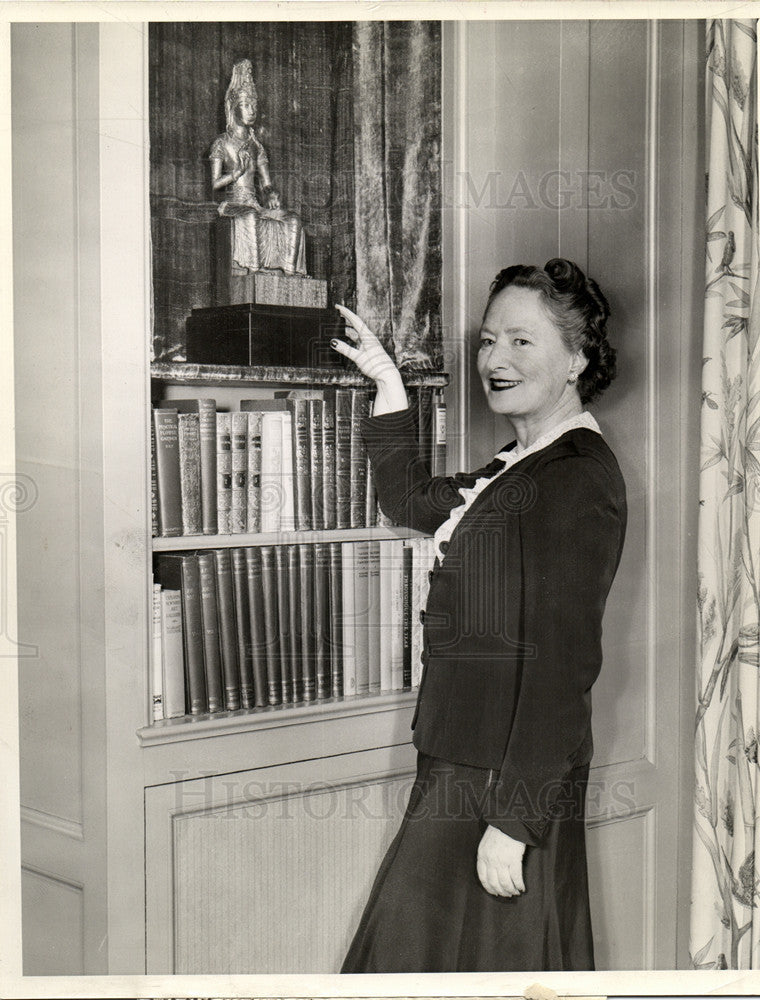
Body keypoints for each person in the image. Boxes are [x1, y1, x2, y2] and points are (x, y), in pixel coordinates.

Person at [330, 258, 627, 973]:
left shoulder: (574, 478)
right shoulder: (517, 465)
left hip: (502, 783)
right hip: (460, 764)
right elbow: (408, 502)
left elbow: (561, 666)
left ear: (576, 359)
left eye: (521, 342)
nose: (493, 359)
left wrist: (513, 821)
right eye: (488, 340)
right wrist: (388, 384)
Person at [210, 59, 306, 277]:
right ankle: (254, 269)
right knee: (251, 216)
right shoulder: (222, 143)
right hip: (233, 204)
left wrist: (271, 193)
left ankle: (289, 271)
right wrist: (234, 174)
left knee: (293, 219)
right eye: (245, 105)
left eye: (253, 105)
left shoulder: (257, 147)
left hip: (254, 202)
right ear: (233, 109)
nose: (251, 111)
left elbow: (266, 182)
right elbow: (215, 184)